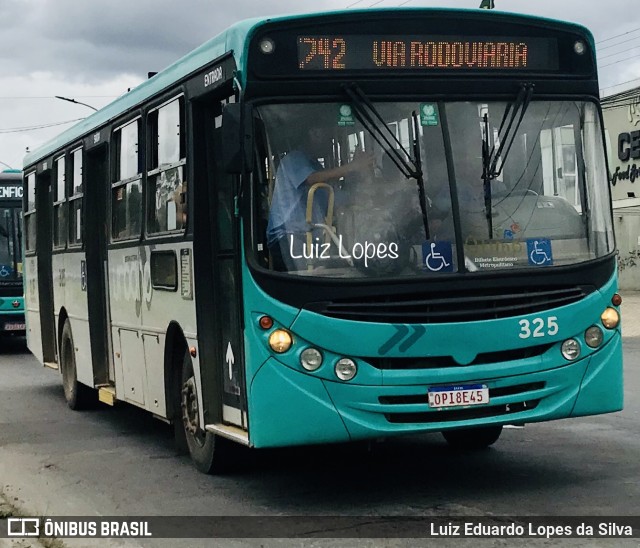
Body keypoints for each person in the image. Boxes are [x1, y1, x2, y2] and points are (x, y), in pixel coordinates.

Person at [267, 126, 373, 271]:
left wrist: (368, 193)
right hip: (287, 236)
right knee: (305, 282)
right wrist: (352, 167)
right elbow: (312, 179)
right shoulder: (294, 159)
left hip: (310, 237)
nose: (331, 142)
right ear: (313, 132)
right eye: (328, 136)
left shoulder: (315, 165)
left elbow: (333, 197)